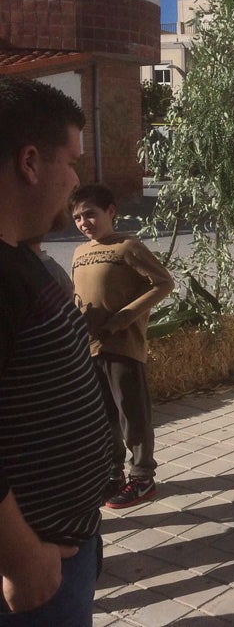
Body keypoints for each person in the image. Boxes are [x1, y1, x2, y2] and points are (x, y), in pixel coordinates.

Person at [0, 76, 113, 624]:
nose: (75, 181)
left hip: (66, 539)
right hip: (35, 563)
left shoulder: (21, 257)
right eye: (70, 163)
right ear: (29, 162)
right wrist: (21, 557)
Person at [70, 183, 174, 509]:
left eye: (90, 214)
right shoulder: (79, 252)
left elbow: (164, 282)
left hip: (123, 346)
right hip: (89, 348)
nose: (84, 222)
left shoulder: (128, 247)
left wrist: (125, 317)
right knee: (103, 418)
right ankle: (113, 474)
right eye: (77, 217)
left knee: (133, 415)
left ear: (110, 211)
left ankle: (142, 478)